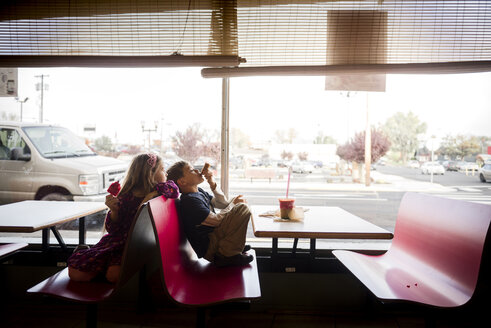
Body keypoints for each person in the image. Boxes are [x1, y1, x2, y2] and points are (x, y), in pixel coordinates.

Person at [67, 153, 179, 283]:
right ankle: (92, 259)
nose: (165, 173)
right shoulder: (125, 196)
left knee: (114, 275)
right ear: (150, 173)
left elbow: (174, 191)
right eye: (162, 169)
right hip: (116, 242)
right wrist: (114, 211)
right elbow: (112, 229)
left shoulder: (160, 192)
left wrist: (152, 194)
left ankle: (100, 267)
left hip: (134, 245)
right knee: (75, 275)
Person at [166, 161, 253, 267]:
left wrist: (211, 182)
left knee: (238, 205)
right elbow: (216, 221)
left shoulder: (199, 192)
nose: (197, 170)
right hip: (210, 247)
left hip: (215, 236)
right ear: (182, 181)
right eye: (191, 170)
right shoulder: (190, 201)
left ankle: (233, 246)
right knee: (242, 208)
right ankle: (227, 254)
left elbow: (222, 203)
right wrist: (234, 204)